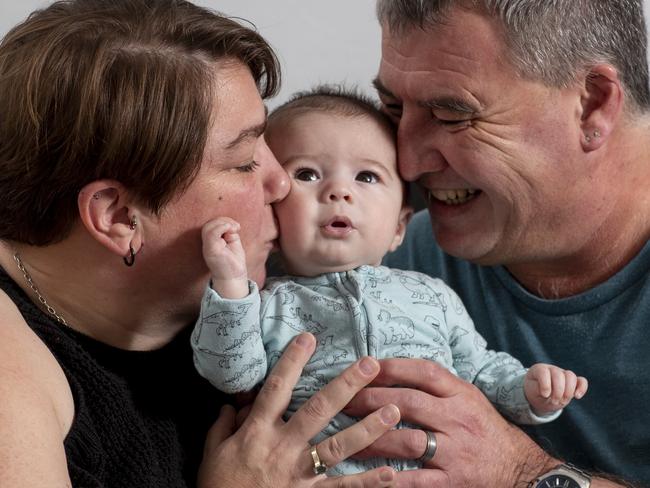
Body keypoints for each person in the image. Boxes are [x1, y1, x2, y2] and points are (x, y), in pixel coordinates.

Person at [0, 1, 406, 486]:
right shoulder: (13, 377)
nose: (283, 183)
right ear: (118, 217)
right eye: (243, 162)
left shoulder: (267, 287)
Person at [191, 86, 588, 476]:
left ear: (399, 227)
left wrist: (529, 391)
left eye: (366, 177)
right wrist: (230, 287)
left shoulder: (433, 296)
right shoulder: (266, 304)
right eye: (308, 174)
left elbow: (479, 371)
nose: (339, 192)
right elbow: (231, 373)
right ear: (273, 208)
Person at [350, 0, 650, 486]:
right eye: (393, 108)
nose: (405, 165)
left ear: (593, 103)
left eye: (451, 115)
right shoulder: (396, 263)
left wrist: (519, 473)